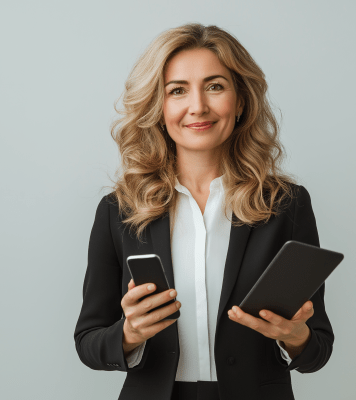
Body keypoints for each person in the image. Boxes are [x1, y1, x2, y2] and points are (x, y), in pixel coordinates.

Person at [74, 23, 334, 400]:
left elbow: (317, 351)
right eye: (177, 91)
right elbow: (89, 343)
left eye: (215, 86)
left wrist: (296, 338)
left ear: (241, 100)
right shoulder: (119, 211)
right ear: (158, 107)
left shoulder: (286, 205)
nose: (198, 106)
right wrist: (129, 333)